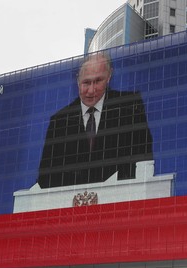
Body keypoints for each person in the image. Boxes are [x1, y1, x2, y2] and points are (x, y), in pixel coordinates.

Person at [38, 51, 153, 188]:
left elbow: (143, 162)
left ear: (109, 75)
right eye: (86, 83)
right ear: (77, 80)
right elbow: (45, 179)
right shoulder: (60, 121)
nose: (91, 90)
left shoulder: (129, 106)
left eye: (98, 81)